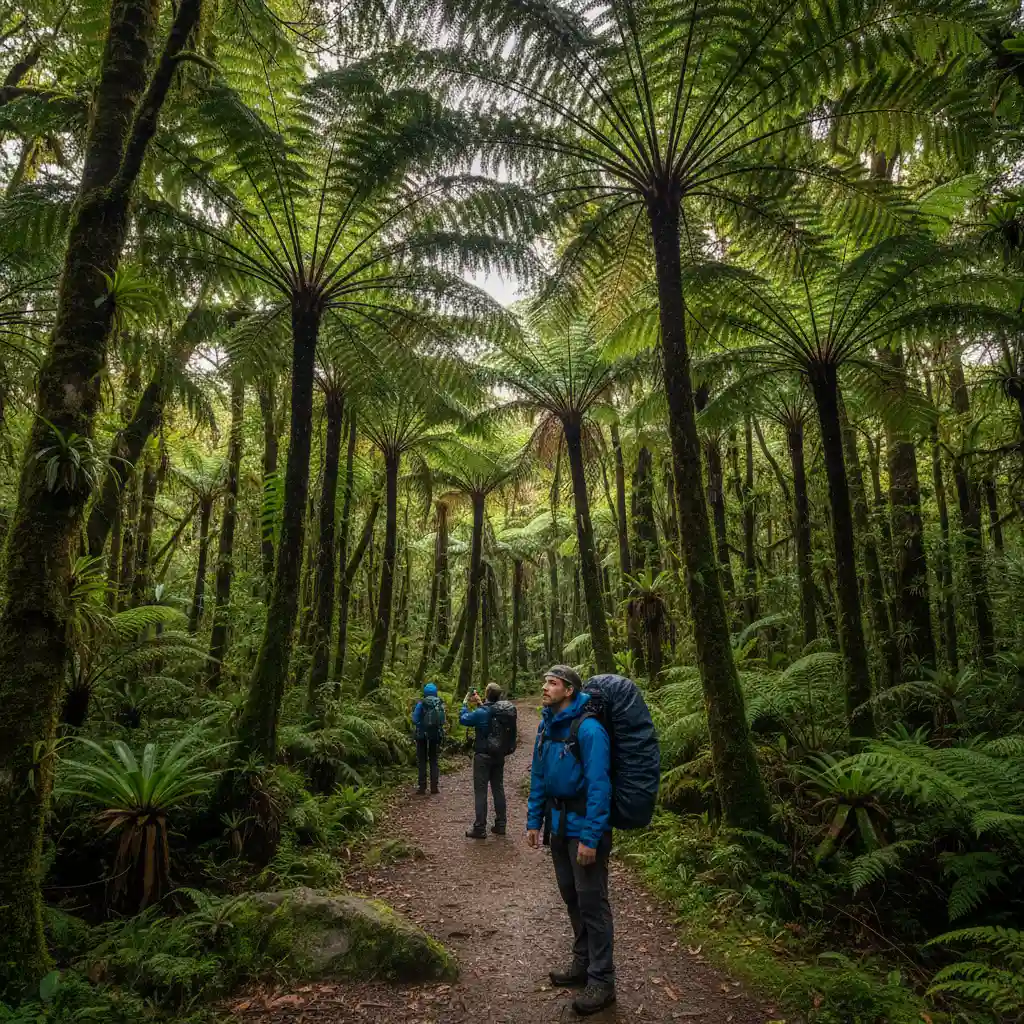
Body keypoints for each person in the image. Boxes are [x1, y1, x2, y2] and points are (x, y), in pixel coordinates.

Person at [526, 665, 615, 1017]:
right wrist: (534, 821)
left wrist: (591, 838)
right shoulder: (547, 728)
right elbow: (539, 777)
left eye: (553, 683)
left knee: (592, 903)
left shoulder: (589, 731)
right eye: (545, 681)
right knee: (571, 897)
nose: (545, 687)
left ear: (570, 691)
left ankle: (602, 979)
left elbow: (600, 787)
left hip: (584, 829)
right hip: (557, 827)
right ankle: (582, 964)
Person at [459, 682, 508, 838]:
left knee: (481, 792)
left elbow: (464, 719)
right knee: (498, 788)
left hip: (483, 756)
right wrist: (481, 702)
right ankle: (501, 824)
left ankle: (480, 828)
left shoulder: (481, 713)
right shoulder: (503, 712)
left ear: (487, 693)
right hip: (499, 755)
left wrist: (465, 703)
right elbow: (490, 713)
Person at [412, 682, 445, 795]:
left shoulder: (421, 703)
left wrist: (421, 725)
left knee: (422, 761)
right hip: (435, 736)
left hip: (421, 736)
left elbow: (415, 719)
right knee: (434, 760)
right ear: (435, 692)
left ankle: (422, 787)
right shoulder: (439, 703)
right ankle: (434, 787)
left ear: (425, 692)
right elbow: (442, 721)